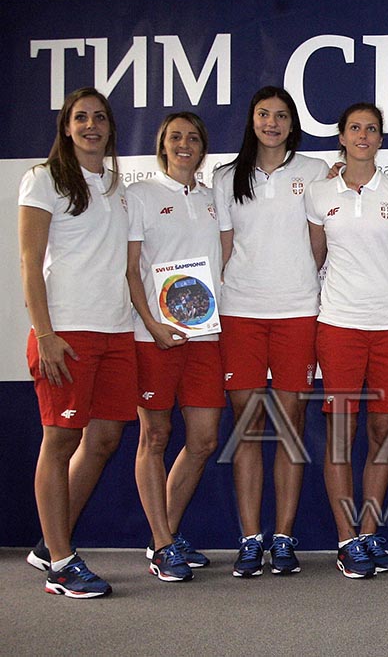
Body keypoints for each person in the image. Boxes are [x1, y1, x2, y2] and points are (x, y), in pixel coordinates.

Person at [19, 88, 133, 597]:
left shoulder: (116, 184)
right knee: (60, 442)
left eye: (100, 117)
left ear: (110, 128)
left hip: (117, 330)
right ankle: (62, 564)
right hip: (66, 332)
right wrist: (45, 334)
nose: (91, 125)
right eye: (81, 117)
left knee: (104, 440)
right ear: (66, 126)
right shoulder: (43, 179)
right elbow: (30, 263)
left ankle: (50, 545)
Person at [213, 86, 329, 577]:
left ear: (292, 124)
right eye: (263, 114)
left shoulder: (316, 172)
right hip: (240, 311)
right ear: (252, 120)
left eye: (281, 115)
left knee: (289, 426)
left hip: (297, 312)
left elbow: (320, 246)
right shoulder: (225, 177)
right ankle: (249, 539)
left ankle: (282, 537)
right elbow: (223, 247)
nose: (272, 123)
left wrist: (298, 279)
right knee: (247, 427)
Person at [306, 103, 388, 578]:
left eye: (372, 129)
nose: (363, 136)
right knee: (340, 435)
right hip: (339, 325)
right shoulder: (319, 193)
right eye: (355, 128)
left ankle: (368, 533)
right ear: (342, 136)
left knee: (381, 435)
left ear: (380, 139)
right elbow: (312, 260)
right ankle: (345, 539)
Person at [127, 112, 224, 582]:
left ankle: (162, 536)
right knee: (155, 437)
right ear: (162, 145)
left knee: (203, 440)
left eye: (193, 138)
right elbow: (130, 270)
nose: (184, 144)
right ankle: (164, 543)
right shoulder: (141, 195)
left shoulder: (211, 198)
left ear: (202, 147)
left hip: (205, 336)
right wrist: (152, 324)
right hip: (154, 338)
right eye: (175, 137)